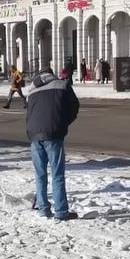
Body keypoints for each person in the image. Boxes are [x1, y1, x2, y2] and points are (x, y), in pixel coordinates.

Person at [26, 69, 80, 221]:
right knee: (57, 174)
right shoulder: (61, 85)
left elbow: (28, 114)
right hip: (53, 134)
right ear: (52, 74)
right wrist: (61, 124)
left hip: (34, 135)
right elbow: (74, 107)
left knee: (40, 174)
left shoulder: (32, 89)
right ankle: (61, 211)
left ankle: (43, 209)